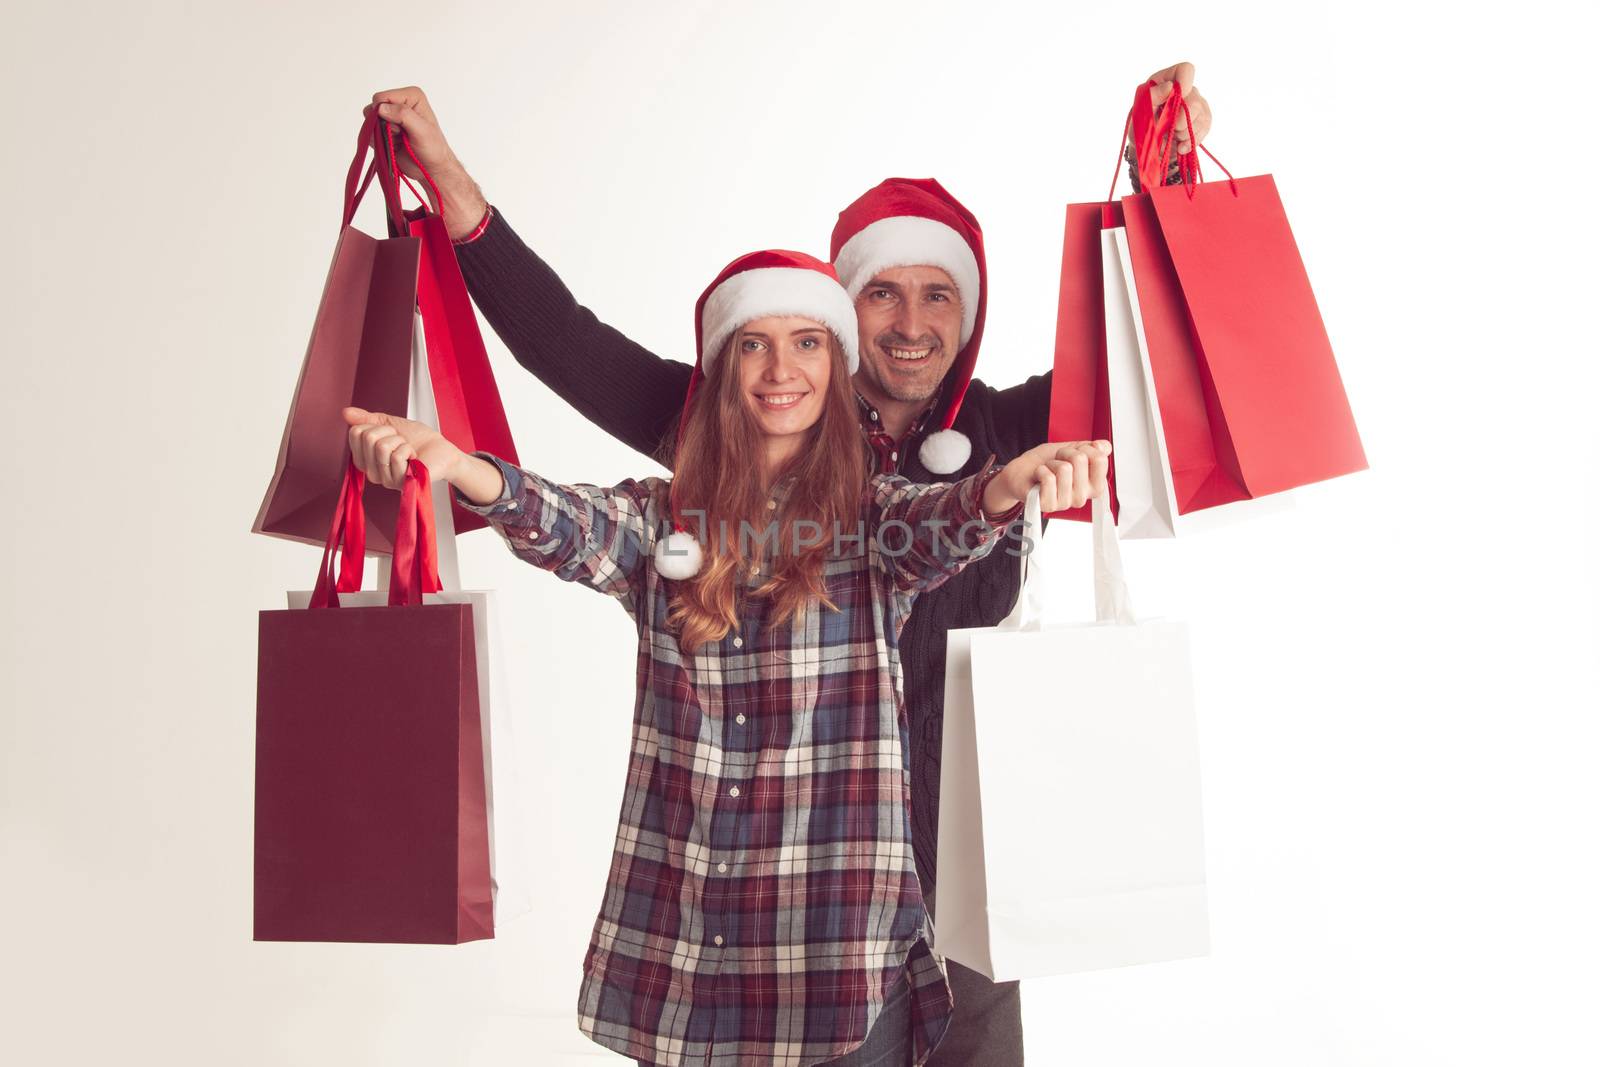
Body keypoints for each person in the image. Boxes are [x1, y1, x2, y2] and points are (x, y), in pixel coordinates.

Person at [363, 65, 1200, 1062]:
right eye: (880, 294)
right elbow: (570, 348)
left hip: (966, 828)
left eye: (938, 295)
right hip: (791, 852)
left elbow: (1137, 350)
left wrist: (1171, 189)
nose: (910, 322)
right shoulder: (750, 418)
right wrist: (461, 201)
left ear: (967, 315)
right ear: (838, 320)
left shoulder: (1005, 432)